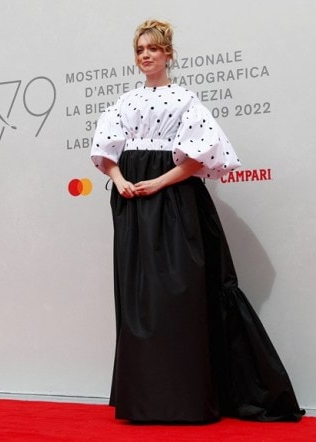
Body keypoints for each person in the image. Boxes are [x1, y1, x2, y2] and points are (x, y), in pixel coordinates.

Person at [90, 19, 304, 423]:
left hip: (174, 203)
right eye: (140, 50)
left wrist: (158, 182)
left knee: (178, 297)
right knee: (139, 300)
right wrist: (119, 181)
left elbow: (200, 157)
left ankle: (185, 399)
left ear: (168, 54)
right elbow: (106, 153)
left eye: (153, 48)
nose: (146, 56)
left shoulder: (185, 100)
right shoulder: (124, 102)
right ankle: (145, 401)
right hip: (133, 206)